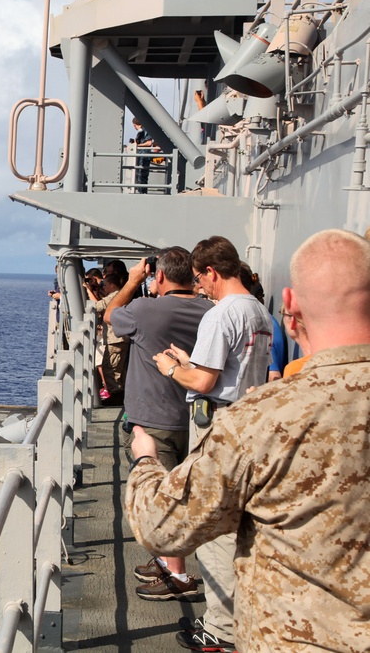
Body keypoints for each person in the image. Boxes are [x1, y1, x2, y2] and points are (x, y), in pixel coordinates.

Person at [126, 229, 370, 652]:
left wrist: (146, 460)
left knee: (221, 541)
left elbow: (160, 526)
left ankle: (220, 629)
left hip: (292, 640)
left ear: (291, 306)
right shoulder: (258, 311)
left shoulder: (259, 418)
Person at [150, 235, 273, 652]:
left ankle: (220, 629)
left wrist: (171, 368)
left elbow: (205, 382)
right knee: (241, 528)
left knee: (216, 530)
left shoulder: (221, 315)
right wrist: (191, 362)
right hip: (249, 423)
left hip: (216, 424)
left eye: (201, 279)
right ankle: (241, 620)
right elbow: (237, 371)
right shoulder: (259, 311)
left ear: (211, 272)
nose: (199, 286)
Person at [104, 247, 212, 600]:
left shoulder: (145, 309)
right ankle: (167, 563)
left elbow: (110, 314)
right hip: (196, 416)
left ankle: (177, 577)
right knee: (184, 492)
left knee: (164, 497)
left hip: (154, 418)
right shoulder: (208, 310)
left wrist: (134, 280)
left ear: (159, 275)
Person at [95, 274, 129, 403]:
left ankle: (116, 397)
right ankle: (116, 395)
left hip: (115, 338)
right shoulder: (120, 294)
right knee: (116, 369)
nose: (104, 287)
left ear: (113, 285)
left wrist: (87, 289)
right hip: (117, 338)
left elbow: (98, 306)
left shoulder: (115, 296)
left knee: (111, 369)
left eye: (106, 284)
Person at [132, 118, 155, 194]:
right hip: (140, 156)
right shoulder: (141, 131)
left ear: (135, 125)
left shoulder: (145, 130)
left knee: (142, 177)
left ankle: (142, 193)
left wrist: (138, 145)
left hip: (144, 156)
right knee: (139, 177)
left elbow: (149, 143)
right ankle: (141, 192)